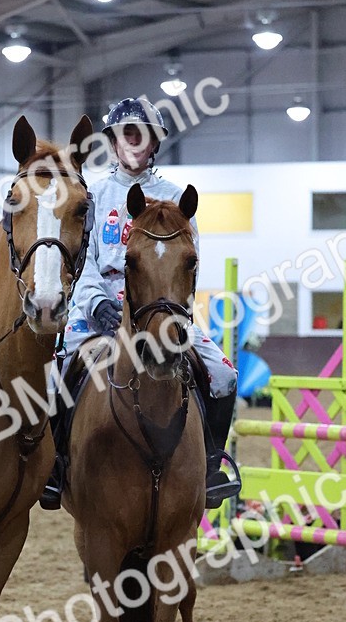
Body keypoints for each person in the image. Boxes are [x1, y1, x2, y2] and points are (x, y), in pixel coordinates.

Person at [40, 96, 240, 511]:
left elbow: (190, 261)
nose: (133, 141)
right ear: (113, 142)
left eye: (141, 135)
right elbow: (84, 260)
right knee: (55, 372)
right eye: (125, 134)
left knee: (222, 375)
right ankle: (57, 466)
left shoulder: (176, 199)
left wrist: (176, 308)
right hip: (101, 307)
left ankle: (210, 465)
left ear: (154, 143)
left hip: (160, 306)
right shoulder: (93, 196)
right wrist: (95, 301)